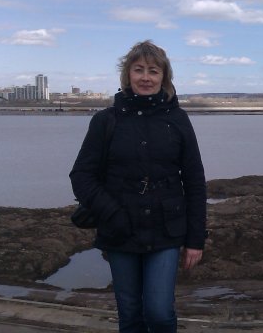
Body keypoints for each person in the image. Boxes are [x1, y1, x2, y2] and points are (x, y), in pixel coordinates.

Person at [70, 40, 207, 333]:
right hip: (120, 230)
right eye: (139, 69)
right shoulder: (106, 121)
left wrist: (195, 239)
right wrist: (111, 213)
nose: (146, 77)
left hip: (166, 230)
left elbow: (195, 181)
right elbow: (81, 176)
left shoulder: (178, 119)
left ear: (164, 77)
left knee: (159, 313)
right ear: (127, 75)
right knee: (130, 314)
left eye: (153, 71)